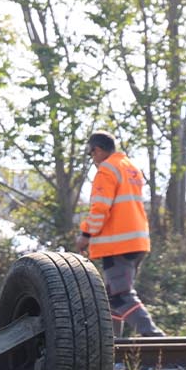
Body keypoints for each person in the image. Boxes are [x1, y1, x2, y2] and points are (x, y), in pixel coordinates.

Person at [73, 131, 166, 337]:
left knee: (121, 295)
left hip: (118, 244)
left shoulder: (106, 169)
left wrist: (85, 234)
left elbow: (100, 208)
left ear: (97, 150)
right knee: (111, 296)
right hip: (137, 241)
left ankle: (152, 335)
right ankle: (114, 343)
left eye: (91, 154)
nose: (93, 160)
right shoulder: (130, 167)